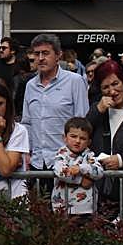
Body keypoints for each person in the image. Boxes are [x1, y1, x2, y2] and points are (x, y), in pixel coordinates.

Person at [22, 34, 89, 183]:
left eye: (45, 53)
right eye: (37, 54)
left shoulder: (75, 81)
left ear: (58, 55)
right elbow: (27, 122)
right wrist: (26, 153)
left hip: (67, 163)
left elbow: (83, 121)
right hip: (36, 163)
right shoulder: (30, 86)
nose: (40, 58)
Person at [86, 59, 123, 216]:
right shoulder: (98, 109)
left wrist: (121, 160)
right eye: (105, 87)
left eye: (115, 84)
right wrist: (97, 111)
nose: (112, 91)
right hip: (100, 194)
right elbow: (82, 134)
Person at [52, 117, 103, 216]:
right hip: (62, 208)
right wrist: (81, 180)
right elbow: (60, 171)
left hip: (86, 209)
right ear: (65, 138)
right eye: (73, 136)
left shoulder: (89, 155)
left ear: (89, 142)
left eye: (83, 138)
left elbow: (99, 171)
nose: (78, 141)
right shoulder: (61, 154)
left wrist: (81, 168)